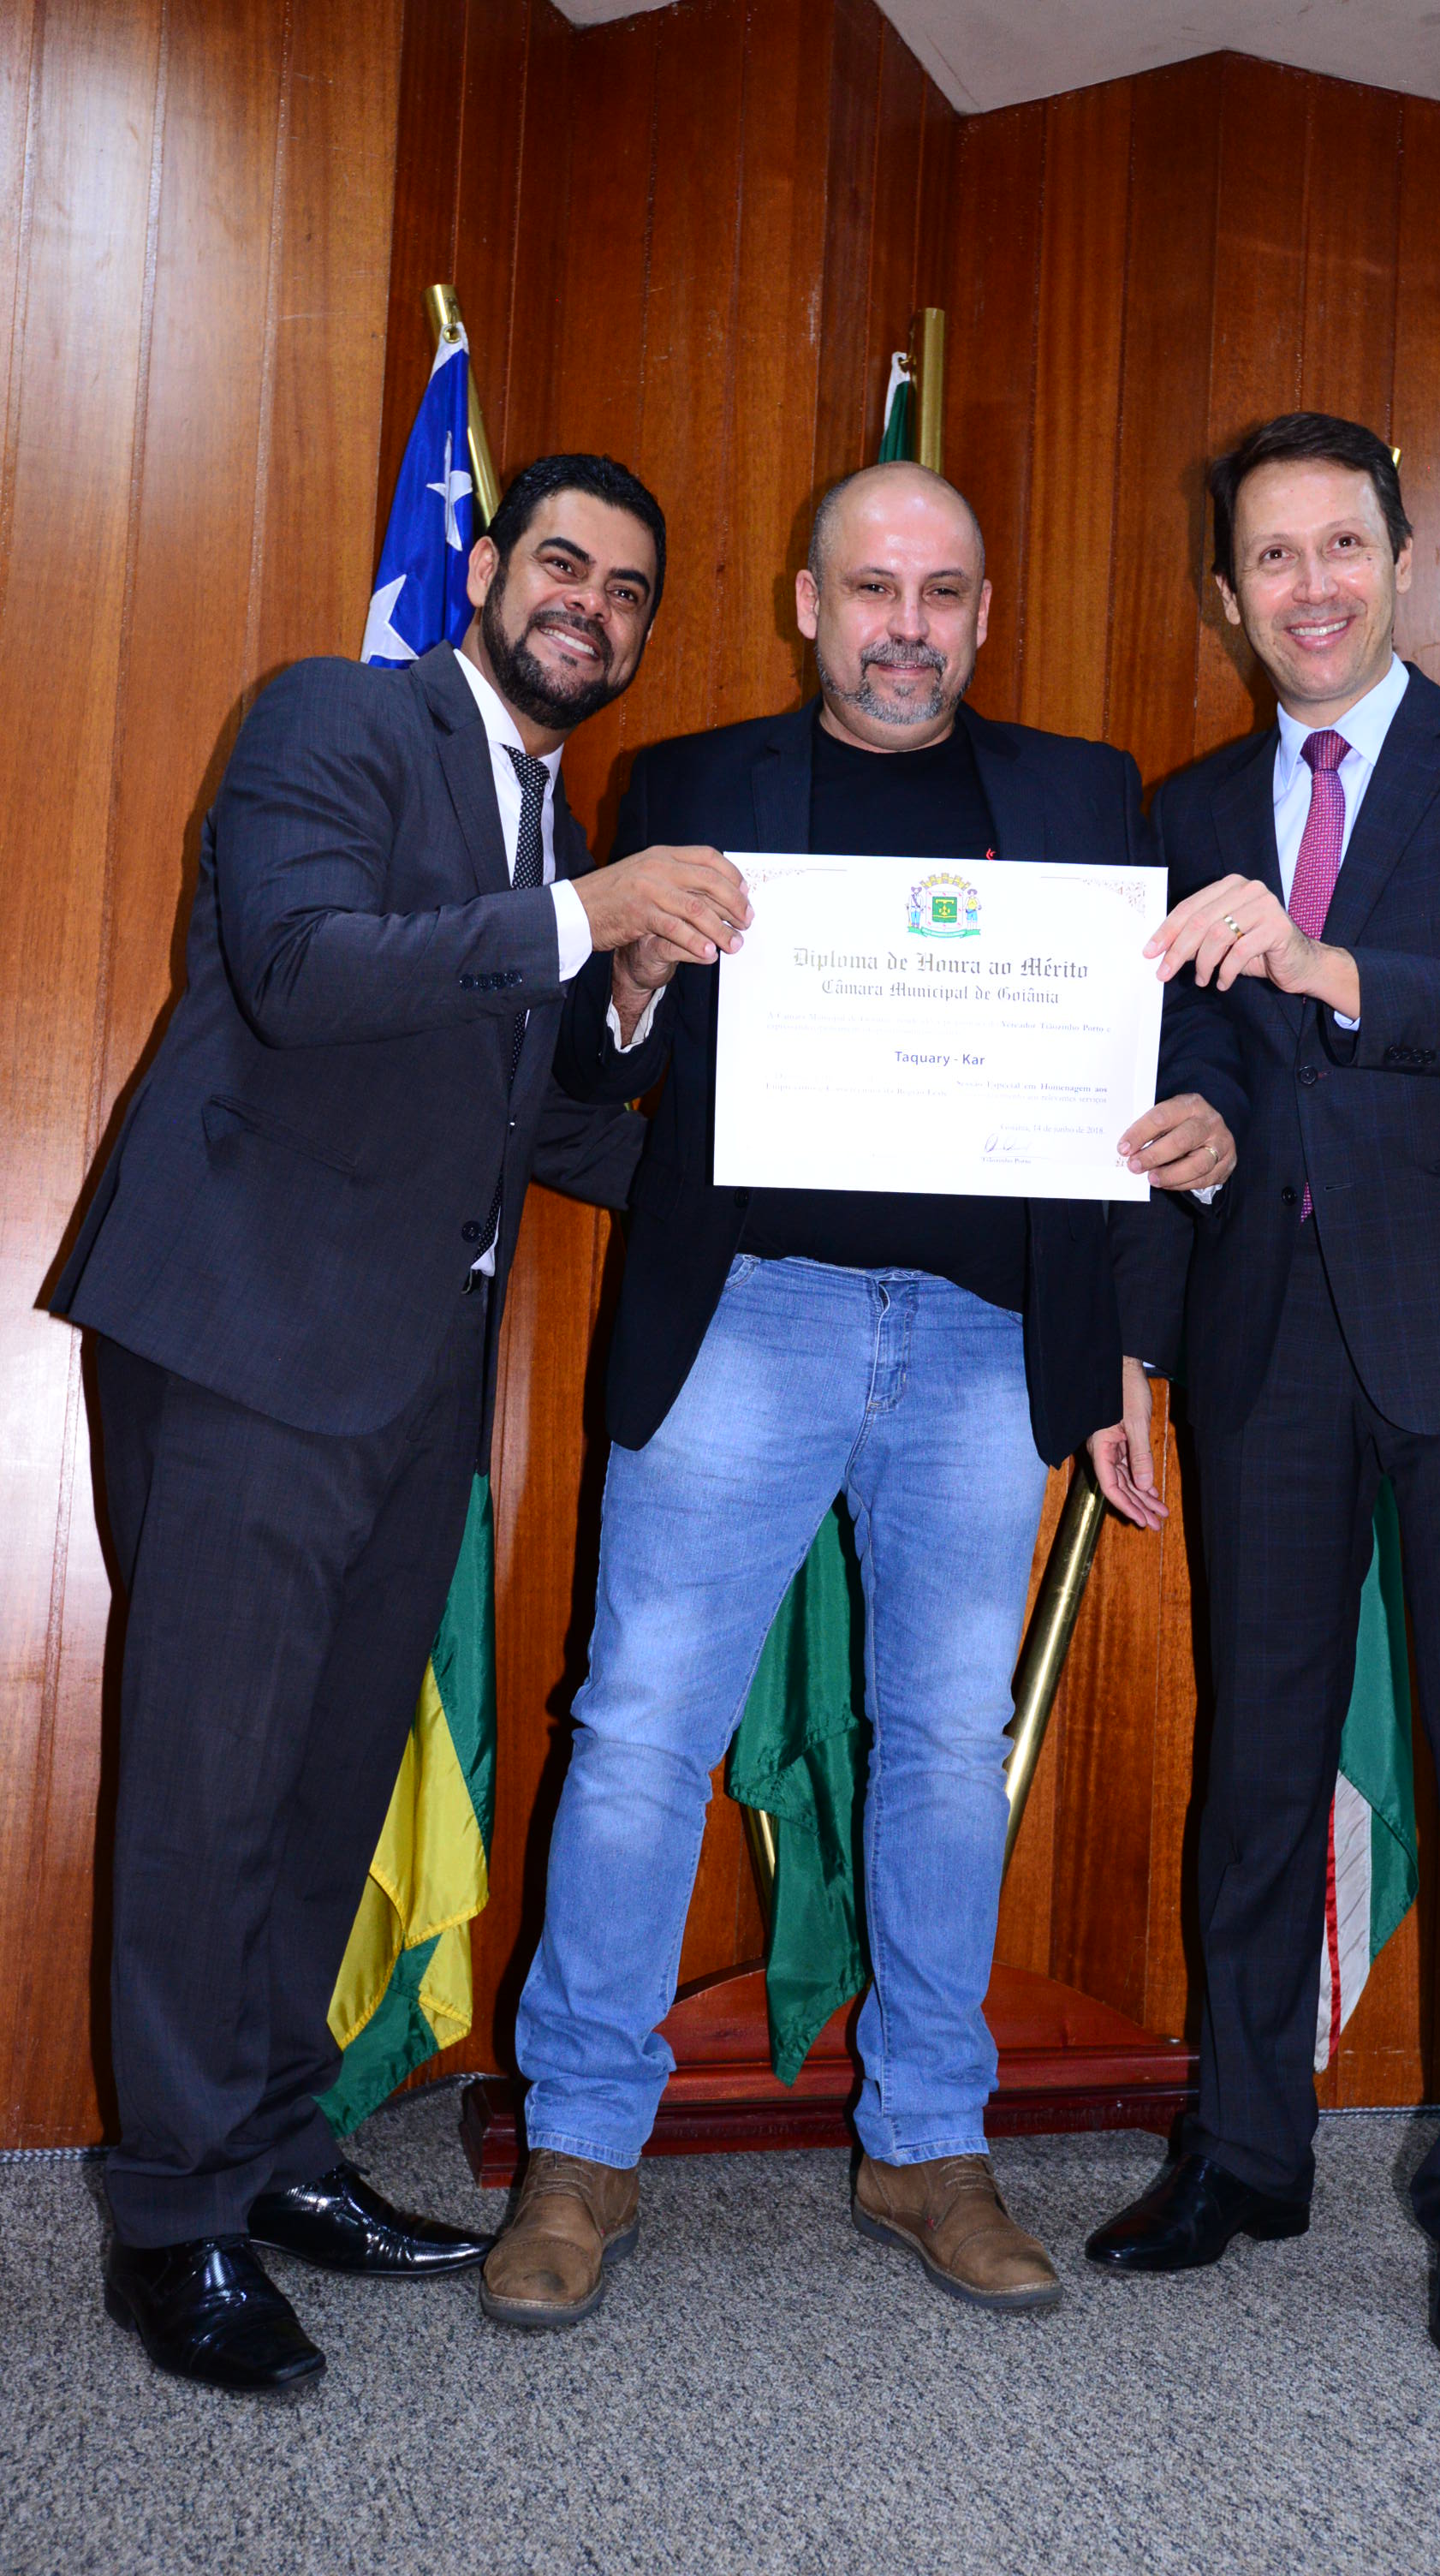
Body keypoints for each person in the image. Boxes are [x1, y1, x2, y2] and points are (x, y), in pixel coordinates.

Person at [479, 461, 1247, 2328]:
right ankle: (579, 2145)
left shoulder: (1084, 795)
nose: (909, 627)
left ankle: (925, 2140)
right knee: (642, 1725)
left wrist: (1193, 1141)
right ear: (809, 607)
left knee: (947, 1746)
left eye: (942, 593)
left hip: (987, 1337)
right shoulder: (689, 784)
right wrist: (634, 962)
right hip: (750, 1312)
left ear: (980, 615)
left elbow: (1170, 1036)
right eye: (874, 590)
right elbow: (595, 1061)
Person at [52, 452, 751, 2394]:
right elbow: (298, 972)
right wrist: (583, 913)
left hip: (413, 1383)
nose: (590, 605)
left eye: (627, 589)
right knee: (210, 1790)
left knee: (325, 1785)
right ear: (489, 569)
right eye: (563, 564)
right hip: (247, 1342)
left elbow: (534, 1123)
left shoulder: (554, 830)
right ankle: (171, 2219)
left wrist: (685, 1058)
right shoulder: (337, 720)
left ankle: (275, 2145)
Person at [1086, 414, 1440, 2375]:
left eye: (1340, 545)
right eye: (1270, 556)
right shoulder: (1183, 803)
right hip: (1262, 1341)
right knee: (1253, 1764)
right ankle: (1241, 2151)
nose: (1307, 584)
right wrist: (1135, 1338)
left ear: (1400, 560)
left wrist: (1320, 962)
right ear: (1223, 596)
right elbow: (1180, 1090)